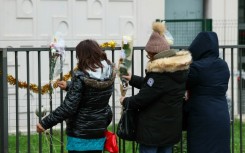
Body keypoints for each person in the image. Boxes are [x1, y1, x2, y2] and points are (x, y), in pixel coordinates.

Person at [119, 21, 192, 153]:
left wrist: (126, 101)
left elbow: (144, 97)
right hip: (170, 128)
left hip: (153, 131)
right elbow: (154, 88)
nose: (148, 58)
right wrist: (133, 79)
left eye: (149, 55)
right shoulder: (177, 70)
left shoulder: (159, 75)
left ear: (155, 55)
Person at [36, 39, 116, 153]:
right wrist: (70, 85)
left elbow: (69, 107)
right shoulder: (108, 72)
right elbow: (93, 92)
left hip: (80, 132)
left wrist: (45, 123)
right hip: (99, 128)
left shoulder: (81, 76)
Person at [184, 32, 230, 153]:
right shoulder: (223, 65)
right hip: (221, 114)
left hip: (201, 116)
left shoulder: (196, 68)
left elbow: (182, 84)